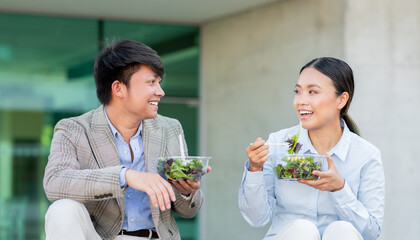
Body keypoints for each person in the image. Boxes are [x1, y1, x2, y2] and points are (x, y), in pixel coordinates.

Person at [43, 40, 208, 240]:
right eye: (151, 82)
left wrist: (186, 192)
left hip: (156, 237)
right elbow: (55, 182)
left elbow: (188, 211)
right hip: (101, 236)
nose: (161, 91)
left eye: (159, 82)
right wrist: (126, 176)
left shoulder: (170, 128)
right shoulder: (73, 130)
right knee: (63, 209)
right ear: (118, 88)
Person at [238, 57, 385, 240]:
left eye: (312, 92)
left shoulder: (366, 155)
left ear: (341, 100)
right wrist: (255, 169)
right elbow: (256, 218)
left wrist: (339, 189)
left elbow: (371, 233)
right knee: (302, 230)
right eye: (298, 92)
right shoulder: (279, 143)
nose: (301, 101)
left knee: (342, 230)